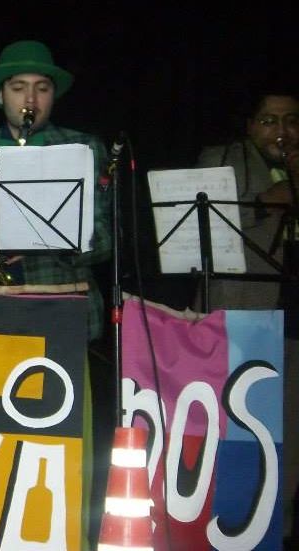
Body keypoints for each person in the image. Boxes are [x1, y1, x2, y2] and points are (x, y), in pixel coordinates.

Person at [0, 39, 112, 546]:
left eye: (41, 88)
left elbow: (106, 240)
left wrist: (43, 236)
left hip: (64, 310)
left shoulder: (84, 149)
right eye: (18, 88)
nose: (30, 99)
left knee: (64, 446)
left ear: (53, 96)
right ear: (1, 96)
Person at [194, 89, 299, 542]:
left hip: (294, 318)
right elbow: (205, 231)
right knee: (238, 426)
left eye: (291, 121)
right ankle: (223, 524)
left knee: (290, 433)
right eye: (269, 120)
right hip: (245, 310)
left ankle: (278, 528)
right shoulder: (224, 158)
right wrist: (273, 196)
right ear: (250, 125)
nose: (282, 131)